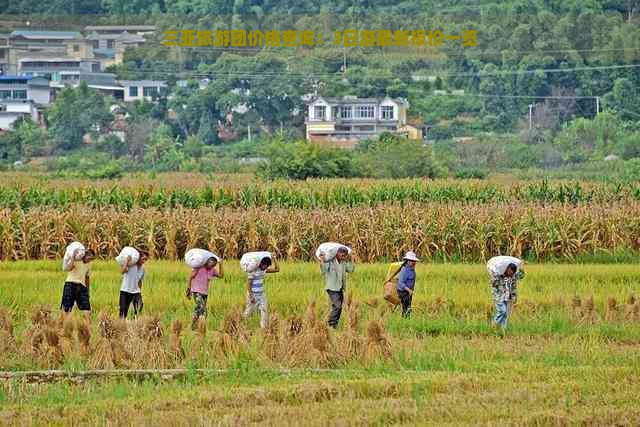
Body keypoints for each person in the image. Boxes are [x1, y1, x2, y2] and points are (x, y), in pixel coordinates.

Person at [319, 247, 355, 329]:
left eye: (345, 256)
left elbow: (351, 270)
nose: (343, 257)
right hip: (331, 288)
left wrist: (352, 259)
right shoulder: (330, 261)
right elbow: (323, 270)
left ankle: (334, 325)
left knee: (339, 307)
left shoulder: (344, 263)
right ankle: (330, 324)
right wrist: (322, 260)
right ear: (337, 253)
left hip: (340, 288)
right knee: (337, 306)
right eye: (342, 255)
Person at [187, 256, 224, 330]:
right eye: (211, 264)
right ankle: (202, 328)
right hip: (196, 292)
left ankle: (192, 327)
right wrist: (188, 290)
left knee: (197, 310)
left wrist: (221, 264)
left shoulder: (212, 270)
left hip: (205, 293)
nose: (212, 266)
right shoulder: (199, 267)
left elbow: (221, 276)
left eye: (214, 265)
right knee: (203, 310)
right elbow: (190, 277)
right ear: (207, 262)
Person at [243, 256, 279, 329]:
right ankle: (240, 323)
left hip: (261, 294)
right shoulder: (252, 270)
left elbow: (277, 269)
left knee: (264, 310)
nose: (266, 267)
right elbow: (248, 285)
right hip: (253, 294)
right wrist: (251, 296)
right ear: (261, 264)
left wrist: (274, 259)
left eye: (267, 266)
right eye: (265, 265)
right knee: (249, 311)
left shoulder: (264, 270)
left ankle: (264, 328)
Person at [61, 248, 95, 321]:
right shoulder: (76, 259)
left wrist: (87, 291)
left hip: (82, 287)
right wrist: (73, 257)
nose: (90, 260)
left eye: (92, 259)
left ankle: (87, 328)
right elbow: (67, 268)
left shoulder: (89, 264)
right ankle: (63, 327)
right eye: (90, 258)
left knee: (87, 310)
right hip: (70, 284)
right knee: (66, 309)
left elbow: (87, 277)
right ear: (86, 254)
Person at [490, 262, 525, 330]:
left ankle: (503, 329)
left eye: (512, 272)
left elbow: (521, 276)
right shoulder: (499, 275)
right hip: (498, 297)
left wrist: (521, 267)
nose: (510, 273)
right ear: (507, 269)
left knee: (506, 314)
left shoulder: (513, 277)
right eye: (510, 271)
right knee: (502, 311)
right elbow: (493, 284)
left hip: (508, 297)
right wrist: (495, 275)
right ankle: (494, 325)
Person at [119, 250, 148, 319]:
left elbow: (140, 281)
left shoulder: (143, 269)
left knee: (139, 306)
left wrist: (140, 291)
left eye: (146, 260)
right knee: (123, 310)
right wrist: (126, 261)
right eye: (143, 259)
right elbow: (122, 271)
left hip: (136, 292)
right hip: (125, 290)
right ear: (138, 258)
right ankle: (121, 325)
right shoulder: (131, 265)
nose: (144, 261)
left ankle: (135, 322)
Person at [396, 251, 420, 318]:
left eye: (414, 261)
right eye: (412, 261)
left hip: (409, 292)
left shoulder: (412, 270)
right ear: (408, 261)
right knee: (406, 308)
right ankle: (405, 320)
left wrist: (411, 290)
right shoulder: (404, 270)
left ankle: (406, 320)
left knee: (408, 307)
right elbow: (400, 283)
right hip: (403, 292)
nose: (414, 263)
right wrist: (408, 290)